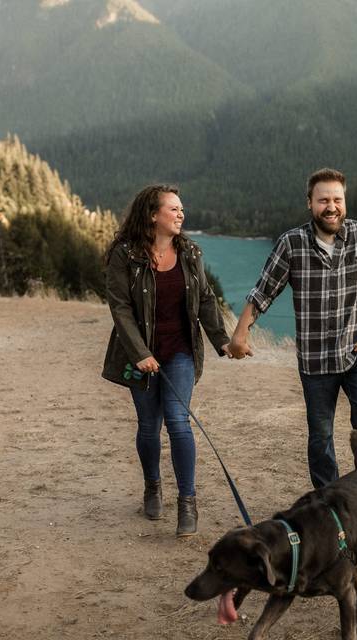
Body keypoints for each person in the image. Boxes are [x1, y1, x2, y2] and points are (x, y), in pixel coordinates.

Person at [229, 168, 357, 488]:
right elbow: (263, 292)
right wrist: (240, 332)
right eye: (323, 200)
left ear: (345, 201)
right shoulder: (291, 244)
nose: (331, 207)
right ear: (309, 203)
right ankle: (329, 500)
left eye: (337, 199)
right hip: (315, 360)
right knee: (321, 434)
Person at [102, 184, 231, 535]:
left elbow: (205, 299)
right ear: (152, 214)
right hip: (139, 354)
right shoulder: (124, 255)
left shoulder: (189, 252)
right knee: (148, 425)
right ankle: (152, 486)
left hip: (180, 352)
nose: (180, 214)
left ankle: (187, 503)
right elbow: (121, 309)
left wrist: (223, 342)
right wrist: (140, 353)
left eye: (181, 209)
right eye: (173, 209)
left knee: (178, 422)